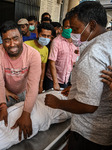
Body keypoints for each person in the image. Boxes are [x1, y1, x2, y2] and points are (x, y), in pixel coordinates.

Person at [45, 1, 112, 149]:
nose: (74, 34)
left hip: (89, 135)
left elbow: (89, 106)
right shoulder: (109, 40)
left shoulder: (94, 53)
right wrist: (78, 87)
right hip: (105, 129)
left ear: (92, 25)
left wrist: (58, 103)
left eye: (76, 29)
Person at [0, 20, 41, 141]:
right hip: (5, 94)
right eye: (7, 40)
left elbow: (33, 86)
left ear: (22, 37)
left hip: (25, 93)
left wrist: (26, 113)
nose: (12, 44)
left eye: (15, 38)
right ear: (2, 41)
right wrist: (3, 105)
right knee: (2, 126)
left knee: (27, 124)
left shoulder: (33, 54)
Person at [45, 18, 78, 91]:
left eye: (71, 27)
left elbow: (75, 61)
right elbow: (52, 62)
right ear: (62, 28)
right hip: (53, 79)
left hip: (66, 79)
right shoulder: (56, 42)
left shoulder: (76, 42)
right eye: (67, 27)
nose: (69, 29)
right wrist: (55, 82)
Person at [24, 23, 54, 93]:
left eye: (48, 36)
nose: (46, 38)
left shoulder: (46, 50)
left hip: (34, 82)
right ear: (37, 34)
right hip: (23, 82)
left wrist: (40, 84)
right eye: (43, 35)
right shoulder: (26, 45)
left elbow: (42, 68)